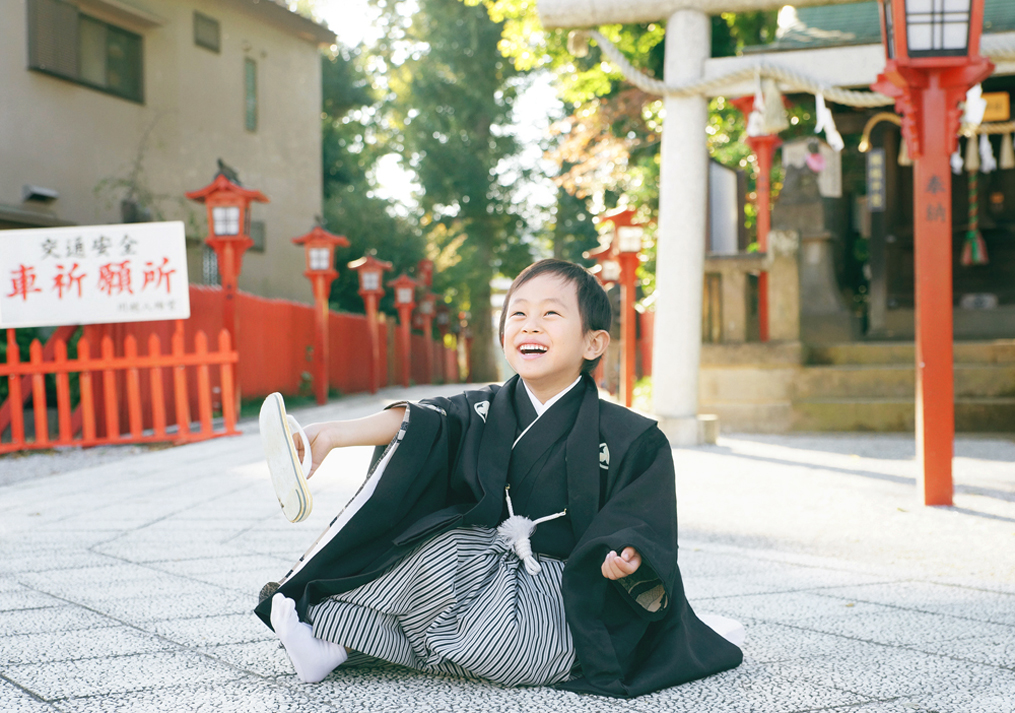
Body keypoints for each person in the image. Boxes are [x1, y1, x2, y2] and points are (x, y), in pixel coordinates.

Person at [253, 259, 743, 698]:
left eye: (551, 314)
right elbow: (426, 423)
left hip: (566, 599)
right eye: (518, 314)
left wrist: (630, 557)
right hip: (477, 575)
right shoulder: (486, 408)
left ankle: (354, 643)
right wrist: (334, 433)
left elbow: (642, 520)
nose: (530, 324)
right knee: (439, 549)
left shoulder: (633, 437)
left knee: (489, 642)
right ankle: (327, 647)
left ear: (593, 341)